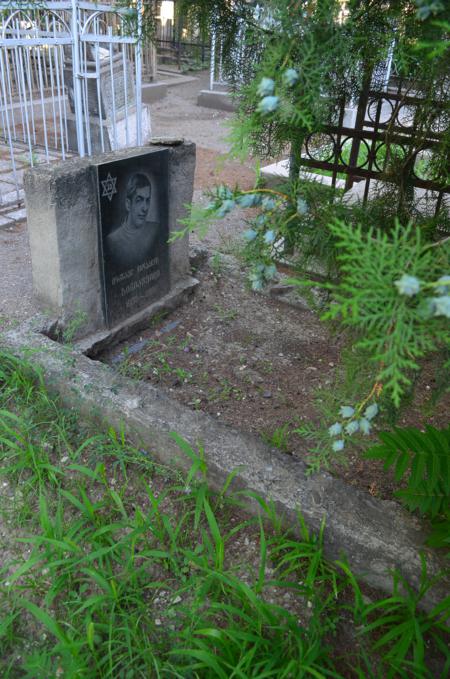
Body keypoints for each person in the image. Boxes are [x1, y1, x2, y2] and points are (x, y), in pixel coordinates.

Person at [106, 173, 158, 270]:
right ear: (128, 204)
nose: (145, 208)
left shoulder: (155, 229)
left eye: (147, 200)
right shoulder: (113, 241)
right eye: (139, 200)